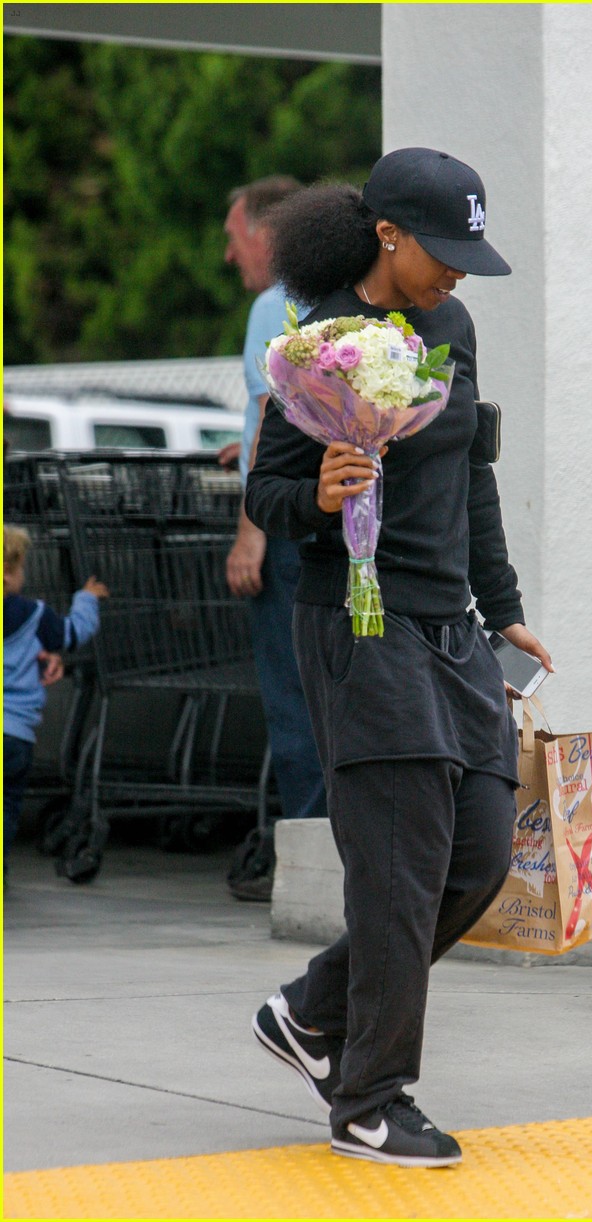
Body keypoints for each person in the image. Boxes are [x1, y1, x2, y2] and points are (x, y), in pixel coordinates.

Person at [244, 147, 554, 1168]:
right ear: (388, 234)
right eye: (446, 251)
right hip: (356, 623)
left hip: (447, 623)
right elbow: (268, 497)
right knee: (397, 868)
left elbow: (471, 471)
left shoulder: (450, 326)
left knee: (477, 850)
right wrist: (321, 495)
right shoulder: (321, 335)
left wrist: (500, 606)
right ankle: (371, 1098)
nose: (460, 271)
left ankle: (312, 1010)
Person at [221, 176, 327, 901]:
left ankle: (306, 870)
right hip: (334, 519)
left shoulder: (273, 302)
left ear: (266, 233)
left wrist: (249, 537)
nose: (231, 257)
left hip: (283, 526)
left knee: (292, 699)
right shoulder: (339, 295)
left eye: (233, 240)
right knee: (330, 692)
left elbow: (269, 417)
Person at [3, 525, 108, 859]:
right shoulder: (33, 615)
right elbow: (72, 633)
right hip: (14, 733)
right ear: (7, 576)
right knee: (6, 804)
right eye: (20, 568)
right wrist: (86, 599)